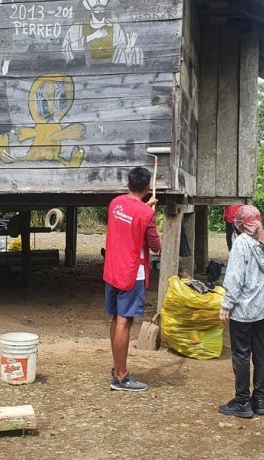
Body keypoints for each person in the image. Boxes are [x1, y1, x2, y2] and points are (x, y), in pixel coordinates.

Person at [218, 205, 264, 418]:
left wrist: (227, 305)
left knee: (241, 354)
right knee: (261, 353)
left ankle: (242, 401)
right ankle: (259, 400)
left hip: (243, 311)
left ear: (241, 224)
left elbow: (235, 278)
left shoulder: (242, 243)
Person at [103, 167, 160, 391]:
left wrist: (146, 208)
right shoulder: (147, 214)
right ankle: (121, 375)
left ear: (128, 184)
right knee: (124, 322)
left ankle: (117, 367)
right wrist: (150, 213)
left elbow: (130, 217)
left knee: (115, 319)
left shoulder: (115, 204)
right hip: (131, 272)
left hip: (113, 268)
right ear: (148, 188)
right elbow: (155, 246)